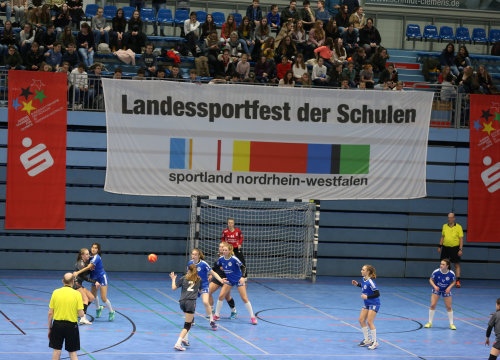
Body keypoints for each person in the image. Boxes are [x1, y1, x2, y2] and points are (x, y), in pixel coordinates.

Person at [214, 242, 257, 325]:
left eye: (226, 250)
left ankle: (252, 317)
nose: (224, 251)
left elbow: (243, 267)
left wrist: (242, 277)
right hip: (229, 280)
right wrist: (220, 268)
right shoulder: (221, 259)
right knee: (221, 296)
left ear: (230, 251)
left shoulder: (234, 259)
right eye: (223, 250)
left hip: (238, 279)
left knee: (244, 298)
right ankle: (216, 315)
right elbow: (215, 266)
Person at [73, 242, 115, 321]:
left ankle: (111, 312)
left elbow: (89, 267)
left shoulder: (96, 257)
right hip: (94, 278)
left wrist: (77, 272)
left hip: (101, 277)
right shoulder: (90, 257)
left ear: (98, 250)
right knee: (93, 296)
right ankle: (98, 308)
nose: (93, 249)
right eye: (92, 247)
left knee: (103, 298)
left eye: (96, 248)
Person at [187, 248, 225, 330]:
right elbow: (188, 274)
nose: (193, 256)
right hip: (194, 285)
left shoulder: (203, 264)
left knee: (205, 302)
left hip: (204, 285)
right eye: (192, 254)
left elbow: (213, 273)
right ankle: (192, 318)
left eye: (195, 254)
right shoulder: (190, 263)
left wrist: (221, 280)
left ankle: (212, 321)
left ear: (198, 256)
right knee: (191, 302)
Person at [48, 273, 84, 360]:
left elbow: (50, 313)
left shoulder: (55, 292)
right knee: (72, 352)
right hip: (71, 327)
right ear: (73, 282)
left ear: (63, 281)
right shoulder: (77, 294)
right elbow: (81, 314)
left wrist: (50, 328)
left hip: (57, 325)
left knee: (56, 351)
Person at [170, 264, 201, 351]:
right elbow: (201, 291)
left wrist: (173, 279)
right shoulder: (198, 279)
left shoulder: (184, 278)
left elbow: (173, 288)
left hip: (182, 302)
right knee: (187, 325)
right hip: (190, 302)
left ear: (188, 270)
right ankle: (178, 343)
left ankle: (185, 339)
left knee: (189, 321)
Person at [351, 264, 380, 350]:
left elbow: (377, 293)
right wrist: (357, 284)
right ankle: (367, 339)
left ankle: (375, 342)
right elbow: (364, 286)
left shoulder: (371, 281)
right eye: (361, 269)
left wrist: (367, 297)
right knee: (361, 320)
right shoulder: (364, 279)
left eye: (363, 270)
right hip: (367, 303)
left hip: (374, 303)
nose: (361, 271)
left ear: (368, 272)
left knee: (369, 321)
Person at [424, 259, 456, 330]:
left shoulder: (451, 273)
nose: (441, 265)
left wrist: (449, 287)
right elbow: (431, 280)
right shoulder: (436, 272)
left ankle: (451, 324)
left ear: (447, 266)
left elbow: (454, 282)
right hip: (437, 289)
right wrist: (435, 286)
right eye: (441, 264)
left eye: (443, 264)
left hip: (446, 290)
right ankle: (429, 322)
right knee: (432, 305)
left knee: (449, 307)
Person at [208, 242, 237, 319]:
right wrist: (211, 274)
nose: (220, 248)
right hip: (218, 277)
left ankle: (233, 311)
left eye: (222, 247)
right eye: (219, 247)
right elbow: (215, 267)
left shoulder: (232, 257)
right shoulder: (218, 256)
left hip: (228, 278)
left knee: (226, 297)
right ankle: (212, 311)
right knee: (208, 292)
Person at [438, 212, 463, 287]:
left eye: (451, 217)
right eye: (448, 217)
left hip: (455, 248)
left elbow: (461, 239)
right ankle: (443, 281)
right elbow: (442, 237)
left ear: (454, 218)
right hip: (445, 248)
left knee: (456, 264)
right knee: (443, 265)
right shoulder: (444, 226)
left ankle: (458, 282)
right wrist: (439, 246)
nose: (449, 219)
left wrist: (460, 249)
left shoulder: (459, 227)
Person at [73, 248, 97, 325]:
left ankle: (79, 312)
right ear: (82, 255)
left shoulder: (85, 263)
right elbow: (84, 277)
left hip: (80, 284)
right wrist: (94, 282)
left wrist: (91, 269)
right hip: (76, 284)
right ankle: (83, 318)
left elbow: (85, 273)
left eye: (88, 254)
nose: (88, 255)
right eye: (86, 254)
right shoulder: (80, 264)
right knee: (85, 299)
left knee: (91, 297)